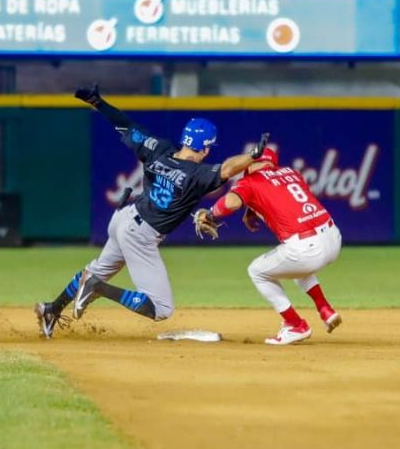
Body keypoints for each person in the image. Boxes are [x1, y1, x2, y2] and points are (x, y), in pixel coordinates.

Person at [34, 85, 268, 338]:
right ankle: (97, 288)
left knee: (97, 269)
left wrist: (98, 103)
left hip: (123, 218)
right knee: (161, 308)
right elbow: (228, 168)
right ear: (206, 148)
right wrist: (252, 155)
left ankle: (52, 309)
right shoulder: (198, 175)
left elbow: (125, 126)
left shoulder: (158, 148)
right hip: (141, 234)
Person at [196, 146, 342, 345]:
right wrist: (252, 208)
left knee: (257, 271)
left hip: (306, 249)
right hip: (334, 238)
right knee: (296, 266)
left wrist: (210, 214)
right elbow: (282, 196)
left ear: (249, 163)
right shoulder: (291, 172)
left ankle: (295, 325)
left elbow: (230, 203)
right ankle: (325, 309)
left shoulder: (249, 182)